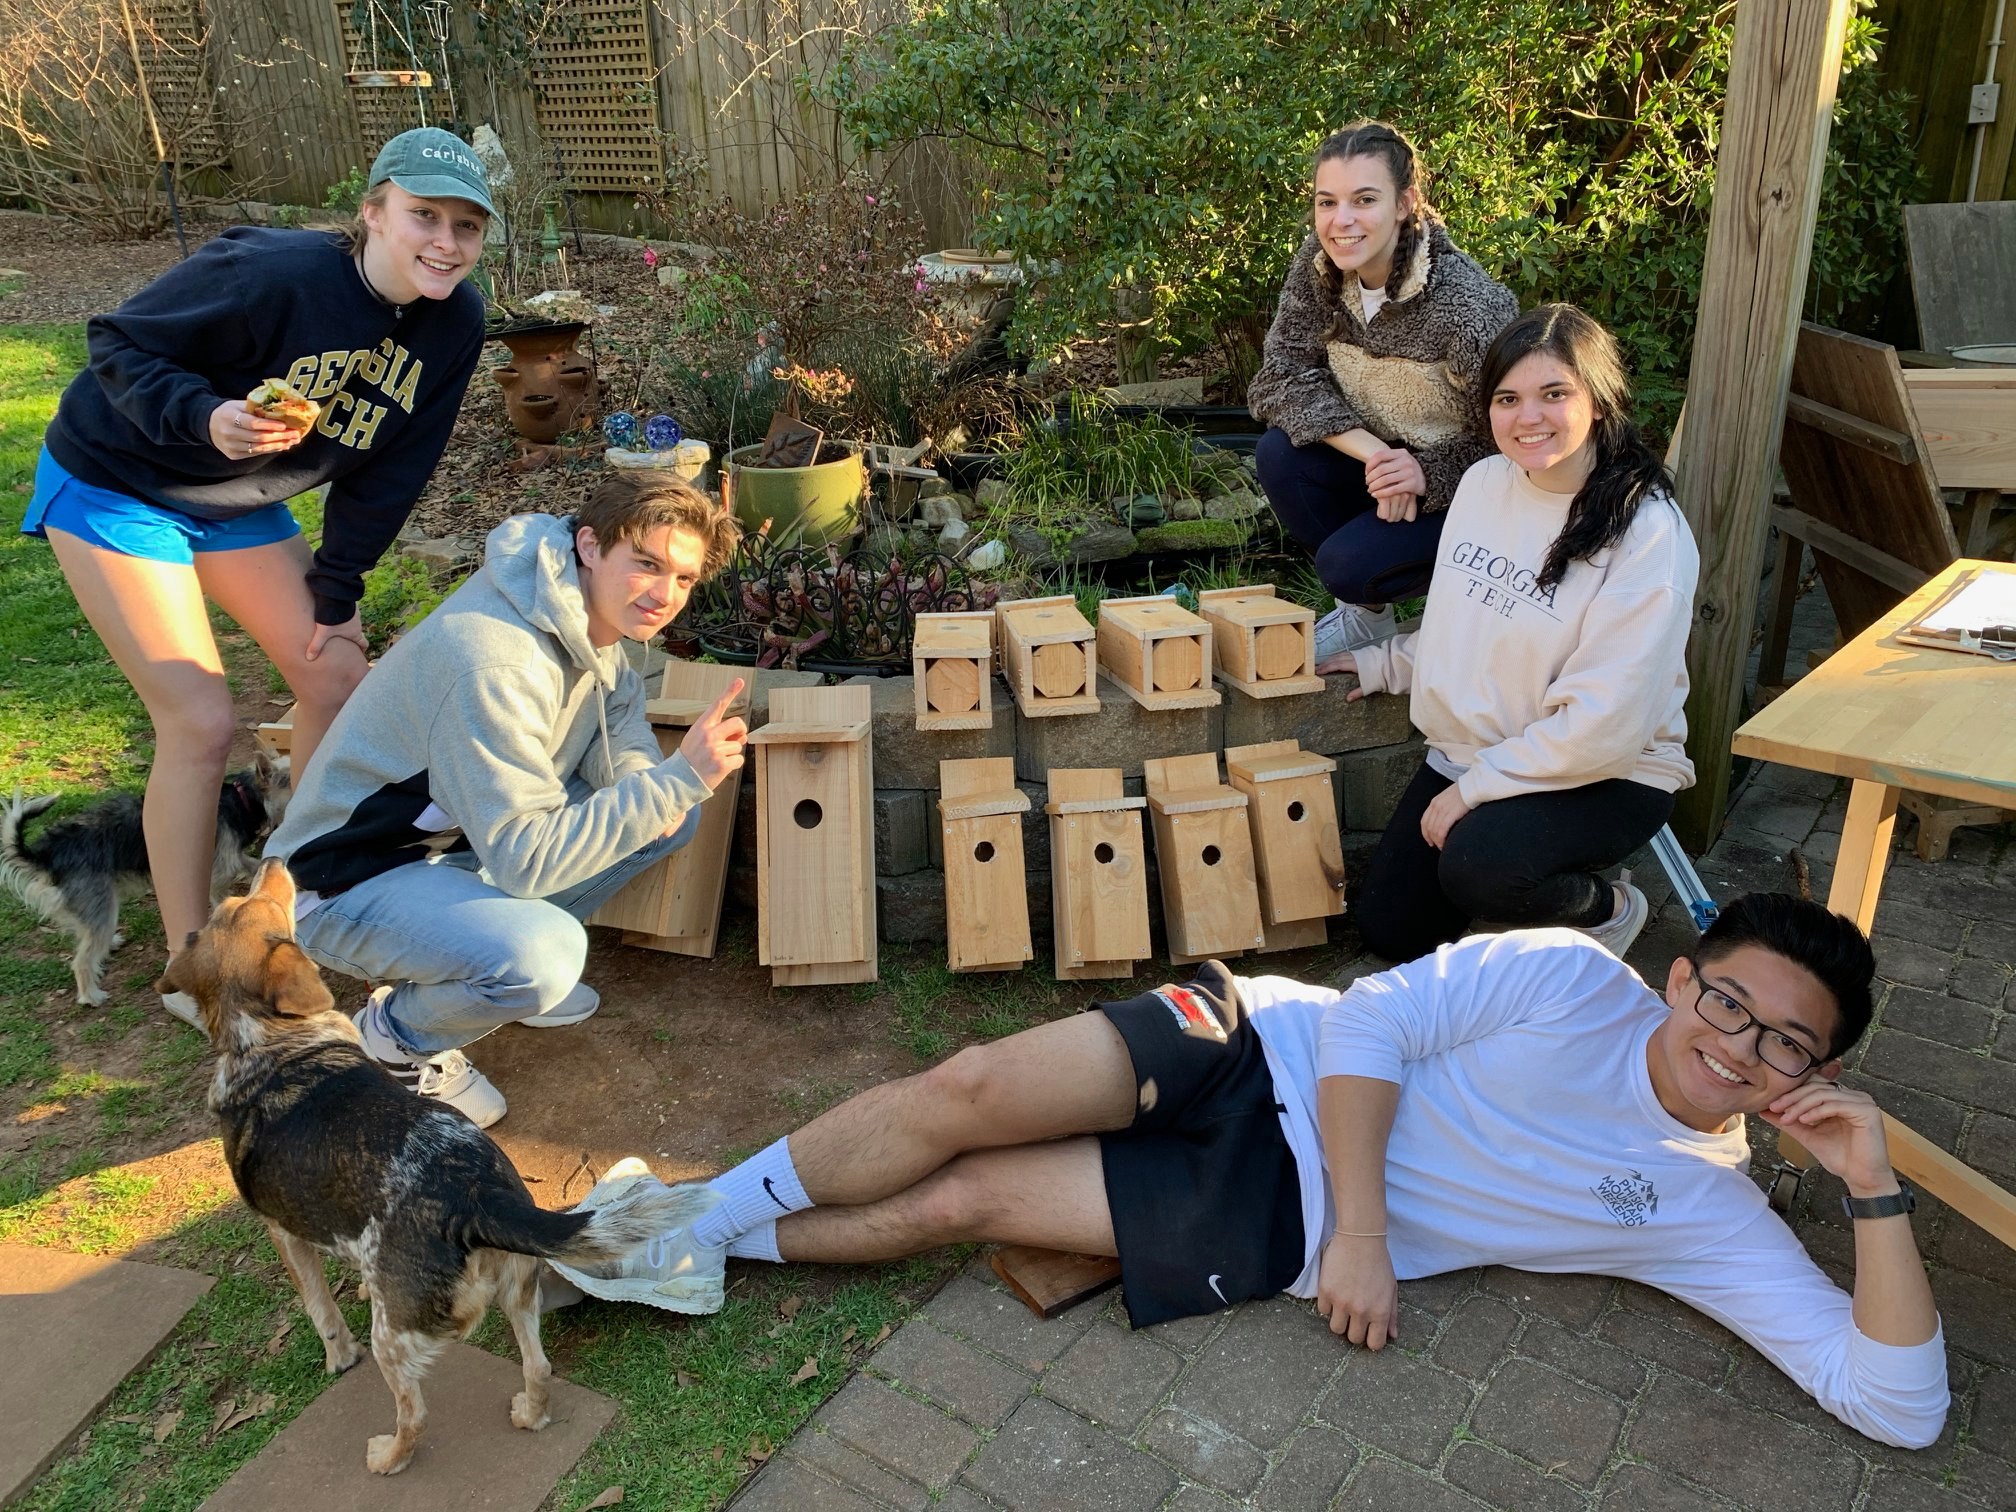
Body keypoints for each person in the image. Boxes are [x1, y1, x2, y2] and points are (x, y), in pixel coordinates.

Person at [571, 895, 1947, 1450]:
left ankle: (658, 1255)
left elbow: (1895, 1407)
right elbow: (1372, 1020)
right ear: (1681, 978)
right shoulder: (1568, 976)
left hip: (1267, 1211)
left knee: (962, 1201)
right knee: (968, 1092)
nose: (1739, 1052)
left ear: (1808, 1077)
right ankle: (666, 1222)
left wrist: (1873, 1186)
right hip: (1262, 1037)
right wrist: (1367, 1232)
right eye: (1728, 1007)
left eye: (1785, 1048)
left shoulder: (1705, 1205)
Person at [23, 126, 495, 1027]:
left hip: (237, 503)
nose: (444, 241)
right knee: (200, 720)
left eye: (466, 227)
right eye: (422, 215)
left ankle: (291, 895)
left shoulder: (455, 324)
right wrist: (205, 418)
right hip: (121, 478)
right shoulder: (273, 272)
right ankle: (196, 962)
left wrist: (340, 585)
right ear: (372, 212)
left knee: (336, 673)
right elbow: (116, 343)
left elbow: (395, 466)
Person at [264, 473, 745, 1128]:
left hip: (453, 839)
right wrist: (676, 778)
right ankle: (394, 1038)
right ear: (590, 545)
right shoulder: (499, 663)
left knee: (663, 817)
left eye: (684, 579)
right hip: (344, 879)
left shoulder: (576, 606)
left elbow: (617, 711)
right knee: (542, 955)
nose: (665, 594)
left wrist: (649, 785)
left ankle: (487, 964)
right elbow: (526, 862)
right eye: (648, 564)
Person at [1329, 302, 1697, 965]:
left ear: (1600, 401)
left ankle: (1608, 908)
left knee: (1482, 869)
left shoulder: (1647, 535)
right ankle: (1511, 871)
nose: (1529, 418)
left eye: (1554, 394)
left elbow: (1602, 726)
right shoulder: (1484, 482)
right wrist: (1386, 662)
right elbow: (1466, 620)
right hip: (1477, 754)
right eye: (1508, 398)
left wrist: (1472, 793)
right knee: (1391, 930)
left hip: (1606, 772)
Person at [1247, 121, 1517, 662]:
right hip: (1385, 463)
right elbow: (1278, 375)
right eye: (1327, 202)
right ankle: (1368, 621)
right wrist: (1380, 457)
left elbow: (1514, 447)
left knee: (1348, 568)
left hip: (1469, 492)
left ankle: (1461, 617)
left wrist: (1426, 474)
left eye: (1364, 199)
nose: (1340, 222)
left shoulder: (1467, 308)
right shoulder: (1319, 267)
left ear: (1404, 203)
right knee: (1279, 454)